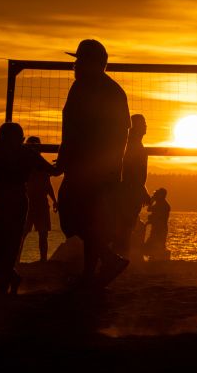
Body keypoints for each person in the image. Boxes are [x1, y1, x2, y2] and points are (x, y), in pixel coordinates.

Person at [56, 39, 131, 288]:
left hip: (86, 168)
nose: (75, 66)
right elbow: (121, 135)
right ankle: (91, 272)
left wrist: (66, 159)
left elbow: (73, 129)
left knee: (71, 217)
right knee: (90, 220)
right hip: (102, 169)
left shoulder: (84, 88)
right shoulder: (113, 91)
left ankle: (108, 260)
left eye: (79, 61)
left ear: (94, 63)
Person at [0, 123, 58, 294]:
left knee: (9, 245)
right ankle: (12, 277)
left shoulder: (26, 153)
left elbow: (51, 171)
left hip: (15, 203)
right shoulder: (2, 152)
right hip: (1, 203)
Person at [116, 114, 150, 259]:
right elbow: (131, 170)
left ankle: (122, 256)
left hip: (133, 189)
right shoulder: (133, 145)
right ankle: (122, 257)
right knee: (126, 226)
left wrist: (142, 189)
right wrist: (140, 189)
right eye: (143, 123)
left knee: (127, 225)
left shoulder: (133, 143)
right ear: (135, 127)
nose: (146, 126)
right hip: (131, 190)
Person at [22, 136, 58, 263]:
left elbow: (47, 184)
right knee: (29, 233)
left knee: (35, 234)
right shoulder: (35, 163)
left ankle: (42, 260)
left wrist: (54, 200)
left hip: (35, 203)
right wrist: (54, 200)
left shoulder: (26, 163)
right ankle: (41, 260)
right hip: (31, 203)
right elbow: (48, 183)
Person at [143, 188, 171, 260]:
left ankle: (158, 260)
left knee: (158, 244)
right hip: (156, 228)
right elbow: (149, 209)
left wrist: (152, 201)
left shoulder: (164, 205)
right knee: (153, 245)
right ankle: (154, 260)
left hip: (160, 229)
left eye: (158, 194)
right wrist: (152, 201)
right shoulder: (159, 204)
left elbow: (158, 217)